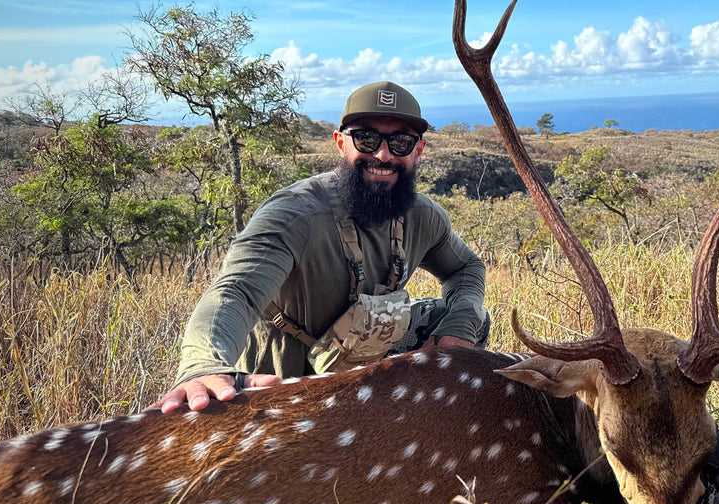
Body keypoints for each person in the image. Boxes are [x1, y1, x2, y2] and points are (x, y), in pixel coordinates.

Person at [153, 81, 488, 413]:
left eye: (400, 142)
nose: (383, 155)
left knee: (468, 320)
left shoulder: (424, 216)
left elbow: (466, 268)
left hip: (367, 347)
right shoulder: (295, 214)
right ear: (340, 143)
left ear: (418, 151)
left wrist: (458, 327)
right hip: (287, 366)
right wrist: (203, 365)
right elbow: (235, 291)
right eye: (366, 139)